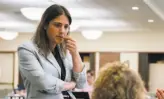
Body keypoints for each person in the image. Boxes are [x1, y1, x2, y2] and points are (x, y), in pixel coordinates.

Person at [17, 4, 87, 99]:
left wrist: (75, 54)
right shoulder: (27, 49)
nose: (62, 31)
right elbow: (42, 82)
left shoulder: (64, 53)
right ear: (45, 25)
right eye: (57, 25)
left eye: (66, 27)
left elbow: (81, 83)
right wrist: (70, 85)